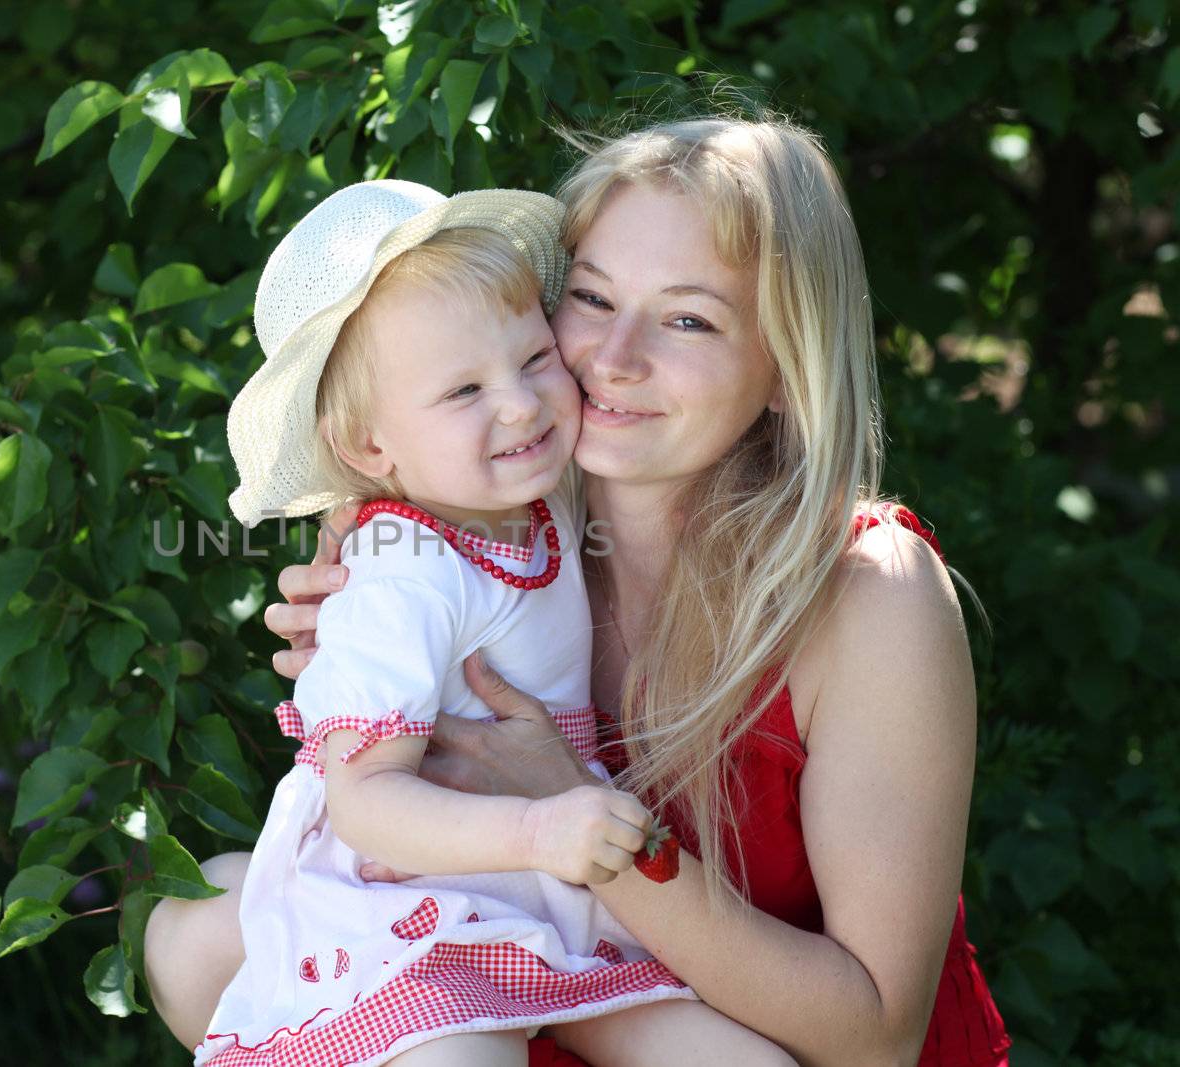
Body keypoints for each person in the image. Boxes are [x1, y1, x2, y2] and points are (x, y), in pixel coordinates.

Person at [149, 117, 1012, 1067]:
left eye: (688, 318)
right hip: (535, 991)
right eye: (593, 298)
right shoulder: (496, 522)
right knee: (208, 926)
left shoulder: (868, 592)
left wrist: (565, 806)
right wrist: (359, 624)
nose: (613, 356)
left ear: (784, 367)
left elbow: (876, 1038)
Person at [196, 178, 795, 1067]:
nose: (519, 404)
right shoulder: (403, 570)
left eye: (533, 358)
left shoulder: (539, 489)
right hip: (412, 908)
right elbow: (363, 801)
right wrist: (538, 830)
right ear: (370, 448)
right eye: (464, 390)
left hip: (553, 902)